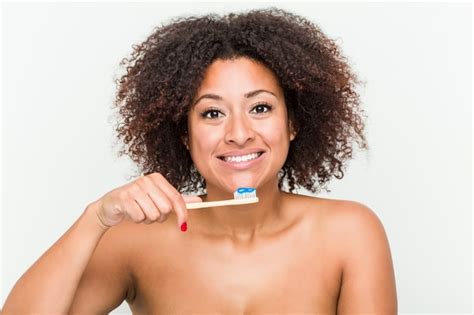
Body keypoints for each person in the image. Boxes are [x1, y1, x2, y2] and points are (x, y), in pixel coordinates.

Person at [2, 7, 397, 314]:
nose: (239, 133)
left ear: (292, 123)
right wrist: (96, 219)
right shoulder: (135, 241)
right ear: (183, 134)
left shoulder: (350, 233)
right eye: (212, 113)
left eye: (260, 108)